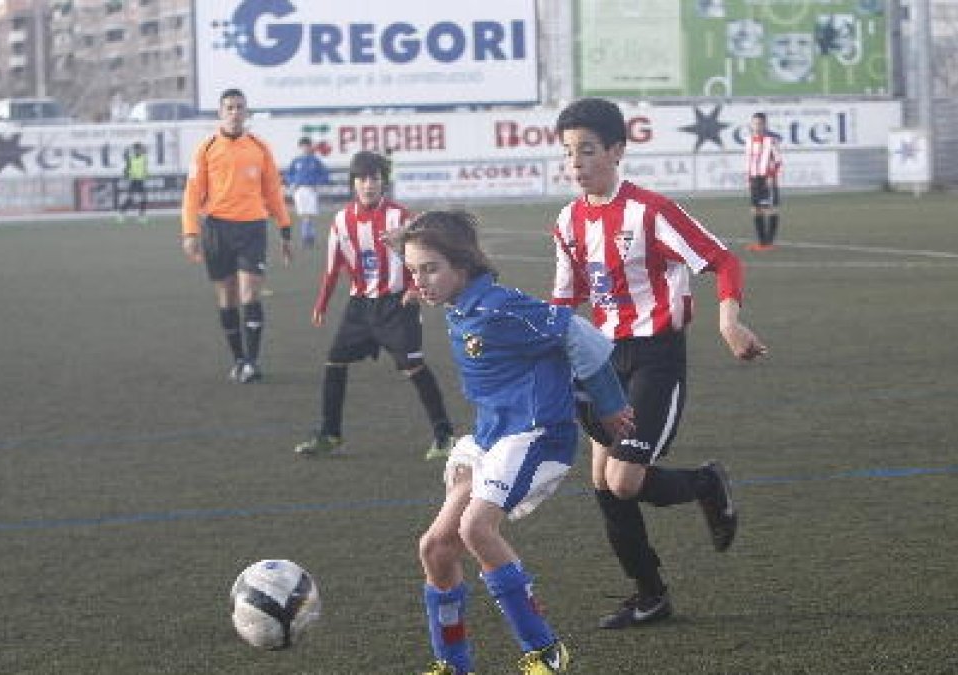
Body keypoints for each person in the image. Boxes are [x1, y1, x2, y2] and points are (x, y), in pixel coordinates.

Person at [550, 97, 767, 630]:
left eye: (587, 151)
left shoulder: (649, 210)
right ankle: (649, 595)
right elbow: (564, 298)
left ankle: (705, 484)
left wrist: (728, 321)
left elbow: (723, 260)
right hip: (601, 362)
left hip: (654, 357)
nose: (576, 163)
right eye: (568, 153)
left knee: (624, 481)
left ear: (617, 151)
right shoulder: (568, 220)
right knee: (604, 482)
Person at [395, 209, 634, 675]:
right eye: (413, 270)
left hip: (536, 435)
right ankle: (453, 665)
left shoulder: (498, 307)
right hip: (490, 437)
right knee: (435, 548)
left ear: (462, 266)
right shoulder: (463, 304)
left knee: (476, 530)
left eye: (430, 268)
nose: (420, 280)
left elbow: (576, 331)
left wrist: (608, 402)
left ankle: (546, 652)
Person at [293, 150, 454, 460]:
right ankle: (330, 434)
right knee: (334, 361)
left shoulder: (400, 218)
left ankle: (444, 435)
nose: (369, 185)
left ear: (384, 183)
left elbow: (423, 257)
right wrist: (321, 303)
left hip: (397, 305)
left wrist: (414, 288)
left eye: (375, 179)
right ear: (353, 183)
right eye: (363, 179)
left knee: (414, 367)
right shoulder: (341, 221)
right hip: (360, 307)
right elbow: (333, 266)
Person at [181, 88, 292, 384]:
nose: (234, 112)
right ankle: (239, 359)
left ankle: (253, 362)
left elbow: (273, 191)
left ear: (246, 112)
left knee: (249, 294)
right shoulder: (205, 148)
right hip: (216, 229)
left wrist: (285, 228)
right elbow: (192, 194)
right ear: (220, 112)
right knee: (227, 297)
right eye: (229, 107)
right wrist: (190, 232)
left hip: (252, 228)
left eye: (239, 107)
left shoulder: (259, 147)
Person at [744, 112, 783, 251]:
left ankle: (769, 242)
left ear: (765, 125)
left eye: (760, 123)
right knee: (755, 210)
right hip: (754, 179)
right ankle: (761, 242)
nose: (757, 126)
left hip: (767, 179)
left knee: (770, 208)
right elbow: (749, 160)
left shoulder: (771, 140)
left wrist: (771, 176)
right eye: (754, 123)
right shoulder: (749, 140)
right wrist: (748, 179)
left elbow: (778, 161)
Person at [284, 137, 330, 248]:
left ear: (311, 147)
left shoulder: (315, 161)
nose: (305, 148)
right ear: (300, 147)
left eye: (307, 146)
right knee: (304, 214)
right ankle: (308, 237)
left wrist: (318, 183)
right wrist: (292, 182)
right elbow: (288, 175)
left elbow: (324, 175)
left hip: (311, 189)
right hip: (299, 190)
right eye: (303, 146)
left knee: (309, 214)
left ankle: (307, 236)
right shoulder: (296, 161)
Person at [118, 142, 149, 225]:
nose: (138, 151)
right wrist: (127, 175)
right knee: (130, 199)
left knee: (144, 199)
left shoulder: (144, 158)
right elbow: (126, 167)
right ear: (134, 150)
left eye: (139, 149)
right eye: (137, 149)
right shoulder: (130, 158)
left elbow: (146, 150)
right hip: (133, 180)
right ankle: (121, 213)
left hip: (141, 181)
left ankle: (141, 216)